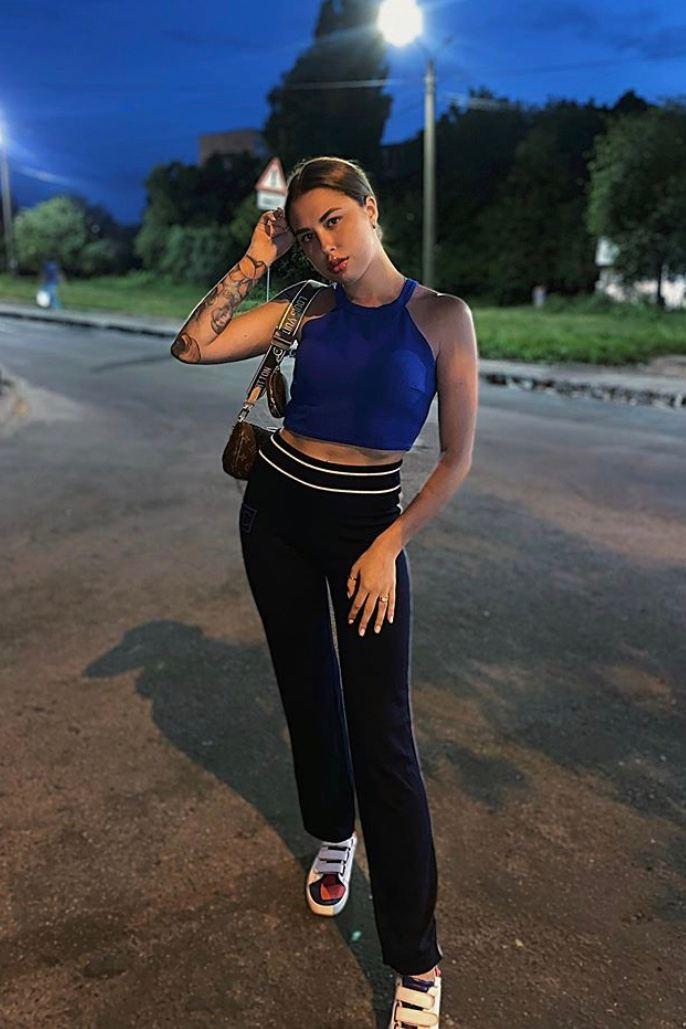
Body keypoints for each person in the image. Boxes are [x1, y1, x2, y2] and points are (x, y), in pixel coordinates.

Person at [170, 155, 478, 1027]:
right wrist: (254, 261)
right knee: (308, 691)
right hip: (276, 514)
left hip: (366, 530)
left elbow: (456, 457)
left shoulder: (440, 317)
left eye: (335, 220)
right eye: (308, 234)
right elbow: (191, 345)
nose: (326, 245)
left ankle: (416, 958)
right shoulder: (305, 305)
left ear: (371, 210)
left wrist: (389, 544)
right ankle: (333, 831)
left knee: (384, 736)